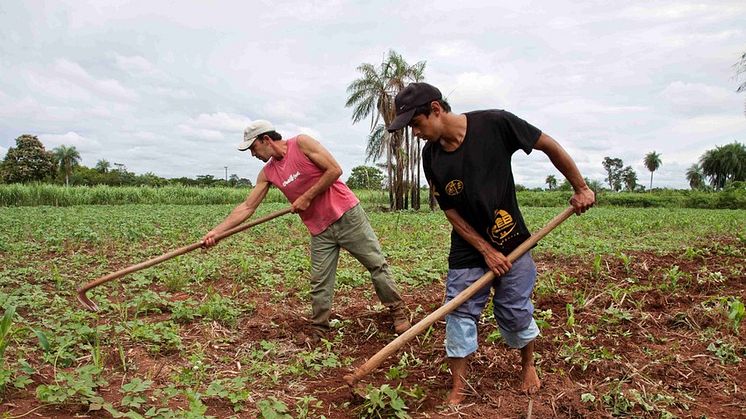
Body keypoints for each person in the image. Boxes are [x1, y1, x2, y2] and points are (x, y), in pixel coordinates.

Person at [387, 83, 595, 404]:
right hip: (469, 245)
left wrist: (581, 187)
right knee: (458, 311)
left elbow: (548, 145)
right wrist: (485, 250)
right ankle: (459, 387)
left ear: (436, 109)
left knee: (513, 311)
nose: (415, 133)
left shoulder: (496, 124)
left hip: (512, 239)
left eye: (416, 123)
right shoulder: (432, 156)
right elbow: (451, 211)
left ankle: (528, 365)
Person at [203, 120, 412, 342]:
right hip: (319, 229)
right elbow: (247, 207)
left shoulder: (301, 144)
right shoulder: (268, 173)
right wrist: (216, 232)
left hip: (347, 215)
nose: (252, 155)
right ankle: (319, 330)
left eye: (253, 148)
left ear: (266, 140)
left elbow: (334, 170)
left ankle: (397, 311)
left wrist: (306, 197)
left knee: (376, 265)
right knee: (320, 281)